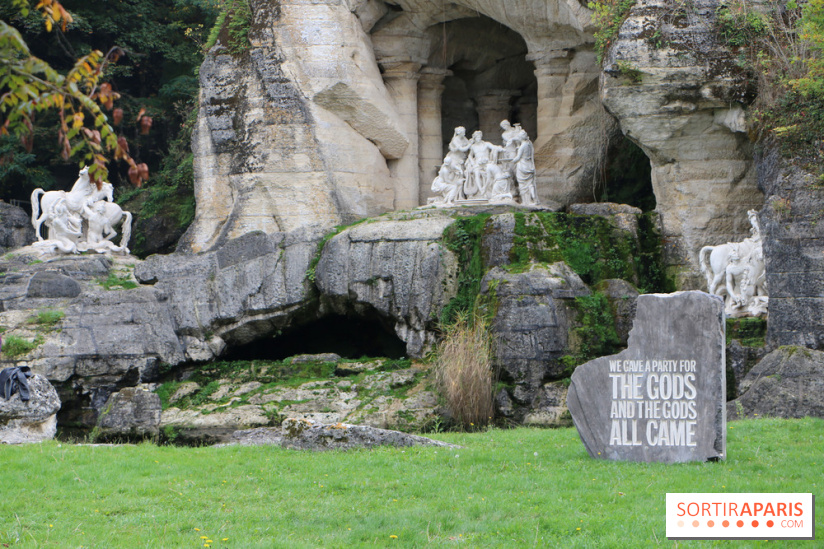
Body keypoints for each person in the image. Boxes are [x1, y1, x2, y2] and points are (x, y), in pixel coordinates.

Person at [511, 128, 537, 205]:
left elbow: (518, 158)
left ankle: (526, 201)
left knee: (522, 185)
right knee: (530, 184)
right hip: (529, 165)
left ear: (520, 138)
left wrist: (511, 161)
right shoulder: (529, 143)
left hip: (522, 166)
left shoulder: (522, 146)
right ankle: (534, 199)